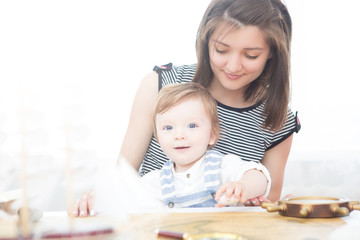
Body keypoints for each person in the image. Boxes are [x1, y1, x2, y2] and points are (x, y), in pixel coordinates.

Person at [71, 0, 300, 217]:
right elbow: (122, 181)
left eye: (251, 55)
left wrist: (270, 203)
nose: (232, 65)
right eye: (221, 50)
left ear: (272, 52)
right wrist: (96, 200)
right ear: (206, 41)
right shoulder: (160, 85)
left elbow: (265, 204)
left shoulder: (278, 119)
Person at [141, 82, 271, 208]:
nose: (179, 135)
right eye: (168, 127)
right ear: (158, 138)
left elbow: (259, 176)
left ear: (212, 135)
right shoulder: (151, 183)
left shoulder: (222, 166)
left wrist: (244, 186)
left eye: (192, 125)